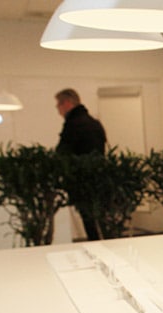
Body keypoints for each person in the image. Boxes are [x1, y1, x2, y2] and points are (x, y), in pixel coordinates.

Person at [54, 88, 108, 240]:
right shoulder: (94, 123)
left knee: (89, 221)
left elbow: (63, 153)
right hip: (98, 179)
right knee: (100, 221)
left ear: (67, 103)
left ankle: (96, 248)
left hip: (81, 180)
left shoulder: (73, 124)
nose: (58, 109)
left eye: (58, 105)